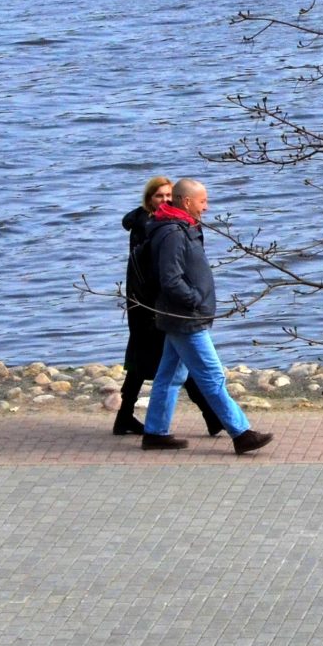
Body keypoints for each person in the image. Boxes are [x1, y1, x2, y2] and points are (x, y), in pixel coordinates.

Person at [139, 178, 273, 456]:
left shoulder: (179, 227)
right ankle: (241, 433)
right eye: (203, 202)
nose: (207, 208)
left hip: (180, 316)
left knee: (170, 375)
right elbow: (171, 279)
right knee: (211, 375)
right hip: (186, 318)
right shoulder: (174, 233)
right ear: (186, 202)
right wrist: (195, 300)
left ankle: (154, 432)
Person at [113, 176, 227, 438]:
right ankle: (213, 417)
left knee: (152, 363)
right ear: (149, 199)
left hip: (159, 304)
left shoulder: (173, 225)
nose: (164, 200)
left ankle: (126, 416)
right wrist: (189, 299)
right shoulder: (152, 228)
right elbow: (158, 273)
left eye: (168, 196)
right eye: (158, 196)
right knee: (172, 363)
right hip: (152, 306)